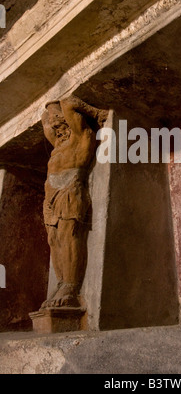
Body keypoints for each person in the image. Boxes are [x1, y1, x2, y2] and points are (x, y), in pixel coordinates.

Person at [41, 95, 107, 307]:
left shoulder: (82, 136)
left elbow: (69, 102)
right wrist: (48, 106)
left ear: (70, 121)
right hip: (51, 196)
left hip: (71, 190)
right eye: (54, 126)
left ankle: (71, 285)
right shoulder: (58, 145)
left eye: (59, 124)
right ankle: (61, 282)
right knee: (54, 240)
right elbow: (44, 122)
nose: (56, 129)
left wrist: (96, 113)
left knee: (68, 235)